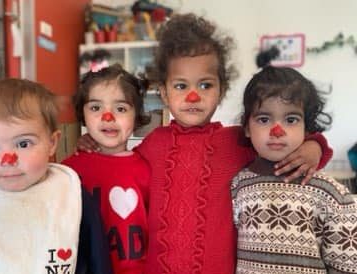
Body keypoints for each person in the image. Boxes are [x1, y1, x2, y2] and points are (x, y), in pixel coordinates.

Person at [76, 13, 333, 274]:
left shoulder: (237, 141)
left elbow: (277, 141)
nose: (192, 96)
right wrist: (94, 143)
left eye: (205, 84)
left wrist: (315, 146)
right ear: (164, 93)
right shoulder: (154, 143)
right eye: (180, 85)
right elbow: (122, 164)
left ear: (221, 91)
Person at [231, 66, 357, 274]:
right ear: (246, 127)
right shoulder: (238, 185)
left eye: (291, 120)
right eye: (264, 119)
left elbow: (346, 262)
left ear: (307, 128)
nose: (277, 131)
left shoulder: (328, 191)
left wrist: (317, 146)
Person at [0, 78, 112, 274]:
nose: (7, 160)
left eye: (24, 144)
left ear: (52, 143)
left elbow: (98, 259)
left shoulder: (71, 193)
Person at [62, 63, 151, 274]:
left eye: (120, 109)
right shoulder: (67, 173)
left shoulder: (148, 168)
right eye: (95, 108)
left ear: (136, 116)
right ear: (82, 115)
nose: (107, 117)